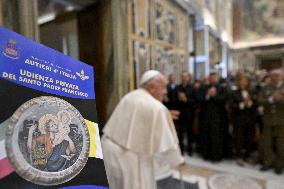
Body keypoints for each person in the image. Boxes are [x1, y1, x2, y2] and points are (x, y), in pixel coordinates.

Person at [102, 70, 184, 189]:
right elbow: (170, 146)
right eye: (163, 87)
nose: (165, 92)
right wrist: (178, 161)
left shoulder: (130, 96)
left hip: (109, 152)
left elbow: (134, 120)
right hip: (130, 160)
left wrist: (164, 116)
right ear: (151, 87)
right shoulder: (157, 108)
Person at [197, 72, 229, 161]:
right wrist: (207, 95)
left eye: (215, 78)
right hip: (206, 116)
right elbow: (199, 99)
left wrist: (214, 95)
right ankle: (206, 154)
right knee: (206, 135)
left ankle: (216, 156)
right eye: (211, 78)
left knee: (216, 137)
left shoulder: (222, 88)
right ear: (209, 79)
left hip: (218, 117)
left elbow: (223, 99)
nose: (213, 79)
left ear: (217, 78)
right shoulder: (204, 87)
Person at [258, 69, 284, 174]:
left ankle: (279, 165)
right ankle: (267, 162)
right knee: (267, 144)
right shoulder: (266, 87)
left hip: (281, 121)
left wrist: (280, 99)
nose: (275, 77)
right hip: (268, 120)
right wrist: (271, 99)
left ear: (282, 76)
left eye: (277, 75)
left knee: (281, 145)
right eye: (273, 75)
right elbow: (260, 100)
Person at [229, 76, 257, 165]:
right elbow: (231, 105)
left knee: (249, 138)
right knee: (238, 138)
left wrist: (249, 103)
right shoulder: (234, 93)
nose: (243, 83)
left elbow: (256, 105)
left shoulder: (252, 93)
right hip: (238, 119)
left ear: (248, 83)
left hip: (250, 119)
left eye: (245, 81)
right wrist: (242, 104)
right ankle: (239, 156)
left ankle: (247, 155)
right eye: (241, 81)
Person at [176, 72, 197, 154]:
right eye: (183, 77)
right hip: (180, 113)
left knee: (189, 132)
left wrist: (186, 100)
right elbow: (173, 100)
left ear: (189, 78)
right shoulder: (178, 88)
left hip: (189, 113)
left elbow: (195, 101)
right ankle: (180, 149)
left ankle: (190, 149)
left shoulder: (192, 88)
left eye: (186, 77)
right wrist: (179, 99)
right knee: (180, 132)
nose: (184, 78)